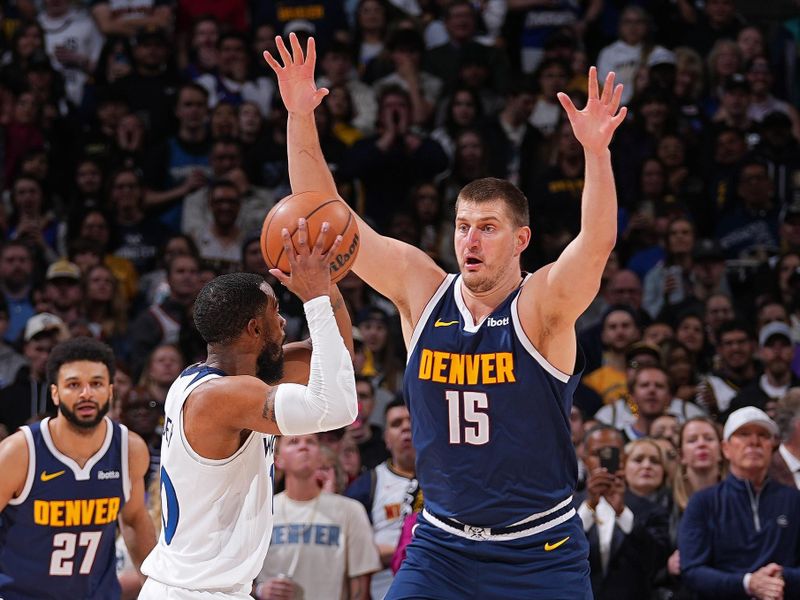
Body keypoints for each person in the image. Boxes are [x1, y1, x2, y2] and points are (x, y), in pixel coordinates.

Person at [266, 33, 627, 598]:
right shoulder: (421, 289)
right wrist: (299, 115)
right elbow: (324, 216)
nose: (471, 240)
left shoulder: (542, 307)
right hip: (443, 546)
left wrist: (596, 153)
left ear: (521, 239)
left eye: (487, 228)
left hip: (540, 551)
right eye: (463, 227)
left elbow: (597, 241)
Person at [138, 222, 359, 599]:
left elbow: (336, 359)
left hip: (212, 589)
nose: (284, 319)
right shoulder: (220, 397)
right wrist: (314, 298)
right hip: (193, 592)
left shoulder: (241, 378)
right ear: (255, 329)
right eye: (276, 310)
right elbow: (337, 408)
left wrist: (325, 284)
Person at [0, 337, 156, 598]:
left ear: (110, 390)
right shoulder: (20, 452)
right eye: (74, 385)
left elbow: (134, 520)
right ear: (55, 393)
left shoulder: (130, 449)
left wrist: (156, 587)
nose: (86, 394)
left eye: (96, 384)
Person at [679, 406, 800, 599]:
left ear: (772, 447)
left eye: (763, 435)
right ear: (725, 449)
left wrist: (783, 577)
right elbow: (692, 570)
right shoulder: (703, 502)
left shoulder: (794, 500)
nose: (754, 442)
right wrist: (748, 583)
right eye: (743, 434)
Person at [253, 433, 381, 600]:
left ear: (320, 456)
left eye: (311, 442)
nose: (303, 446)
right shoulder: (261, 511)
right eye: (294, 441)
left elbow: (360, 587)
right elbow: (234, 575)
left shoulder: (351, 511)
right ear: (278, 459)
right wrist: (260, 590)